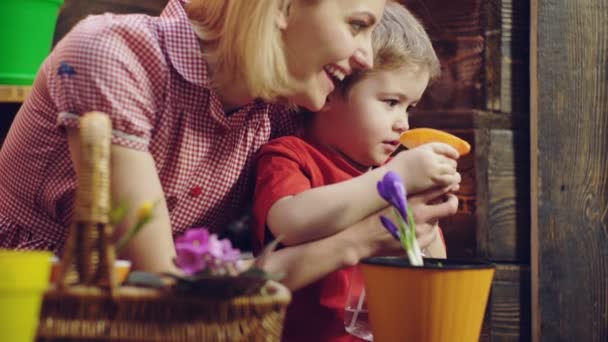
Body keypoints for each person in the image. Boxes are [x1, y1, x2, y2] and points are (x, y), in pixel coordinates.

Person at [0, 0, 389, 273]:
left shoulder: (280, 111)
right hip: (30, 304)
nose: (366, 59)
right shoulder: (114, 54)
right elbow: (158, 280)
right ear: (283, 7)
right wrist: (359, 241)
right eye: (357, 25)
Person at [251, 2, 461, 341]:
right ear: (333, 89)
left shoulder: (394, 171)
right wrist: (395, 180)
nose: (403, 123)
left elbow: (429, 266)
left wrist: (428, 220)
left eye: (411, 107)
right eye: (391, 102)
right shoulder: (291, 155)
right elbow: (288, 225)